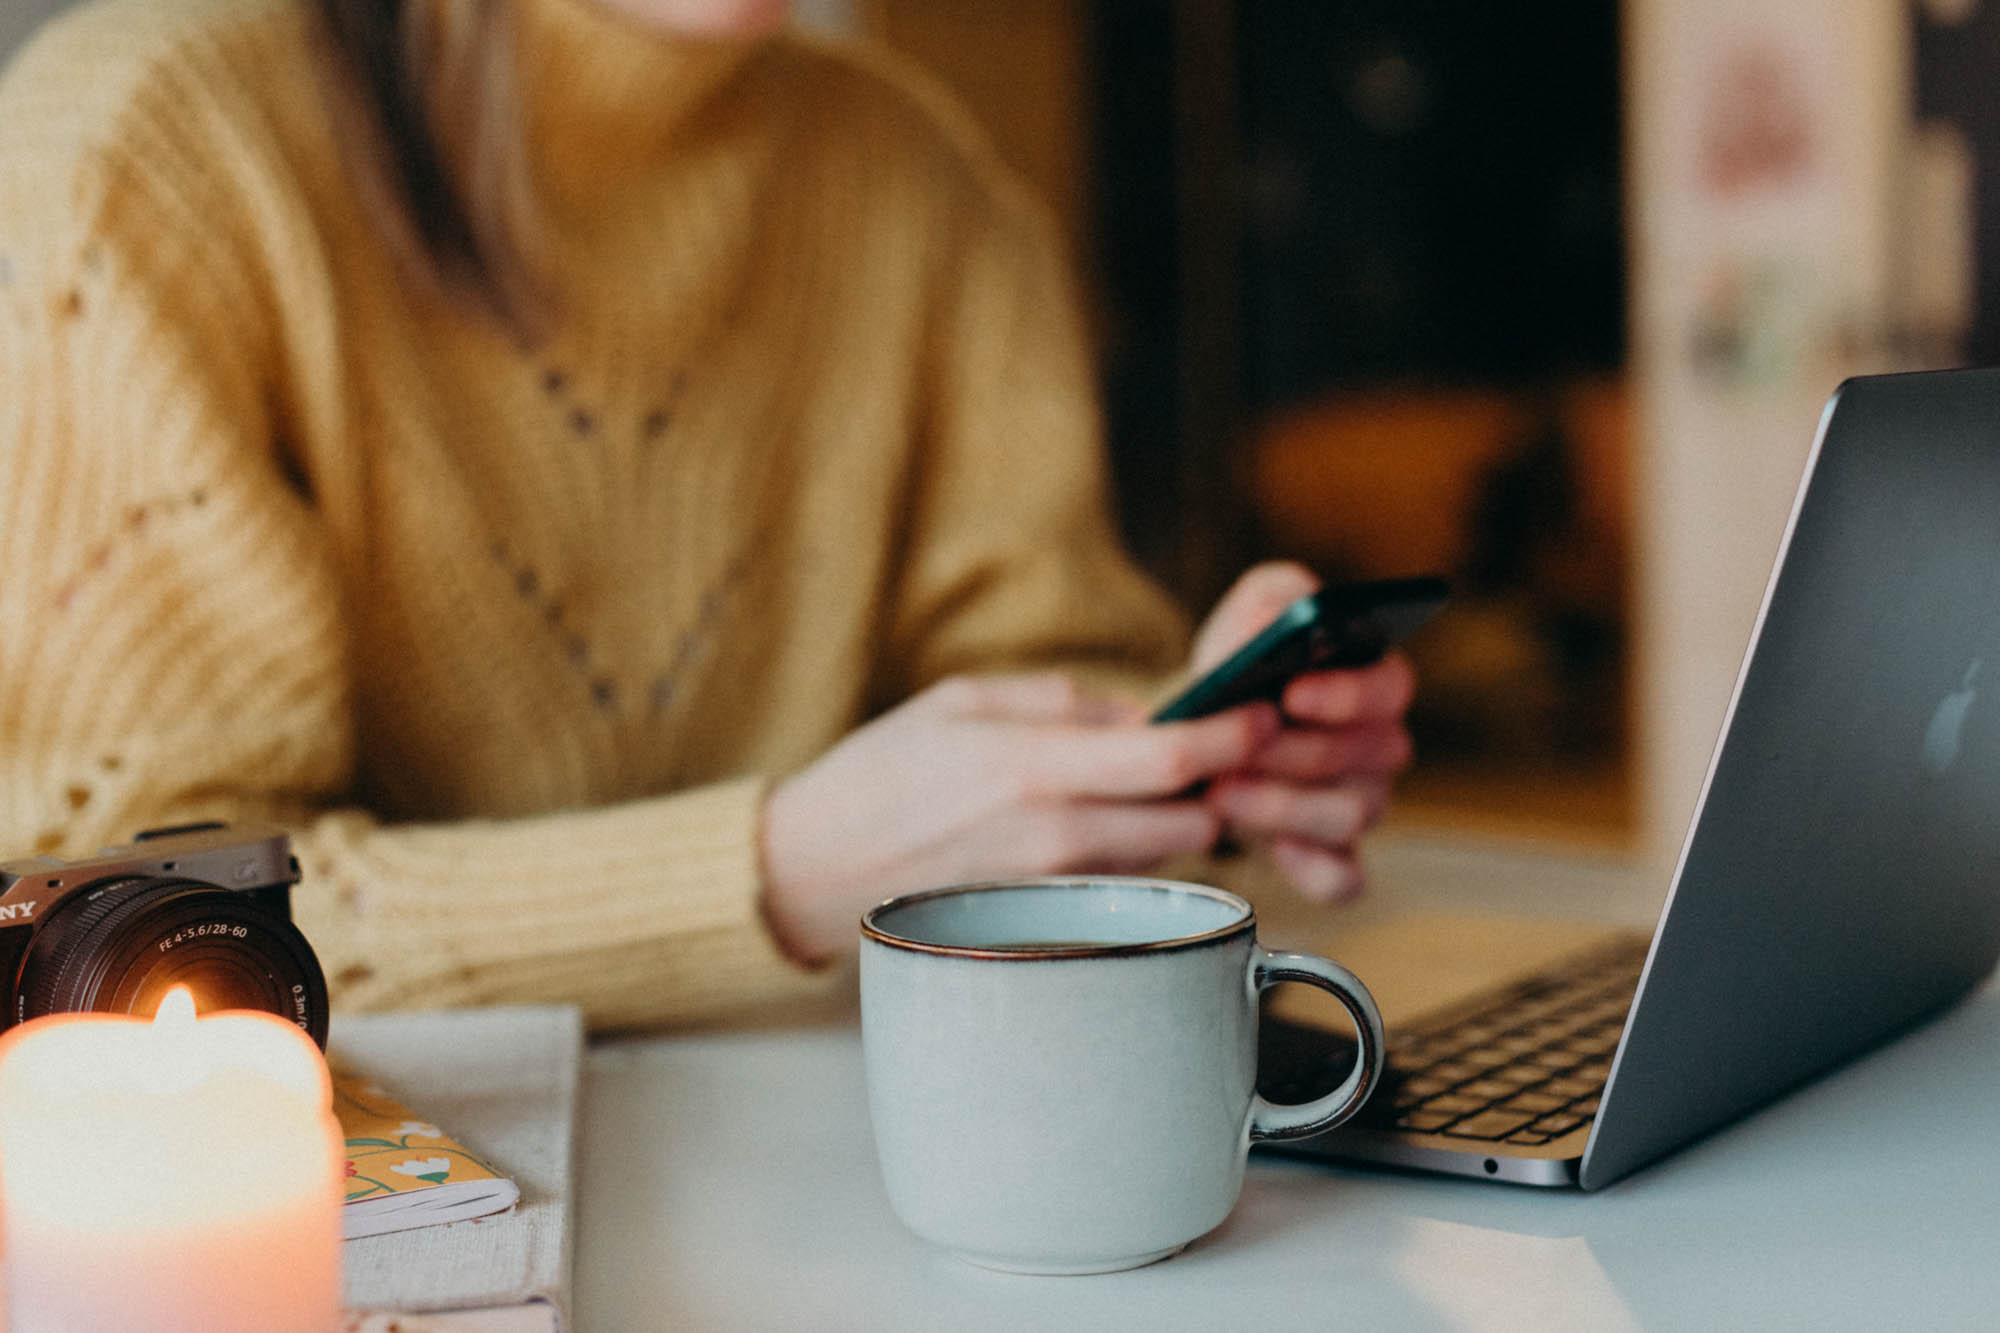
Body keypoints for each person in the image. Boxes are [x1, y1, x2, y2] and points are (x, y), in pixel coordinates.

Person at [0, 0, 1415, 1029]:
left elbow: (1021, 679)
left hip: (852, 1173)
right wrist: (782, 869)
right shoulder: (146, 147)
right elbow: (117, 925)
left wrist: (1188, 752)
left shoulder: (916, 172)